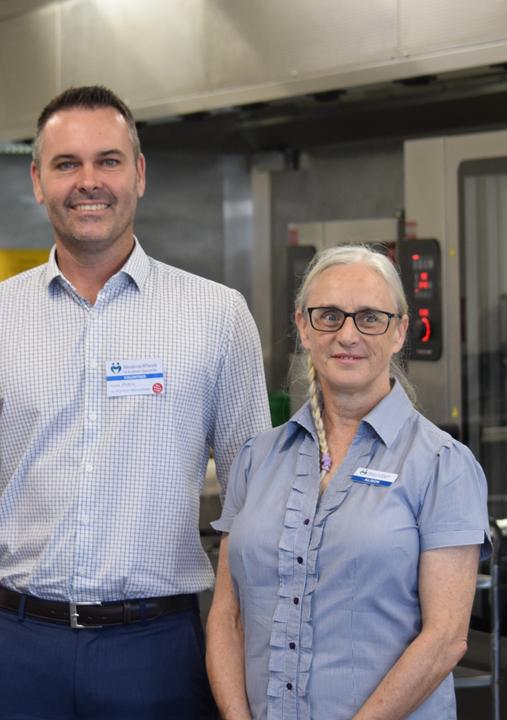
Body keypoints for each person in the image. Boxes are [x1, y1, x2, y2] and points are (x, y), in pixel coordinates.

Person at [0, 85, 270, 720]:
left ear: (139, 173)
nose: (90, 182)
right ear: (37, 180)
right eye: (67, 164)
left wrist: (241, 667)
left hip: (160, 652)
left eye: (108, 161)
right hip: (15, 654)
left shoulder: (217, 317)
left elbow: (254, 511)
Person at [206, 245, 490, 719]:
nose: (348, 335)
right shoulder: (258, 459)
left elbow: (444, 640)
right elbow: (226, 616)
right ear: (303, 327)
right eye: (330, 316)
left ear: (400, 331)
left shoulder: (442, 464)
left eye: (370, 318)